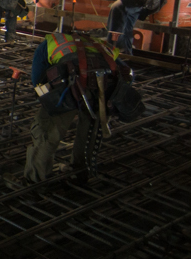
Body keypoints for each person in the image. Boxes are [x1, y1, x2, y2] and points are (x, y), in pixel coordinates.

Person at [12, 33, 144, 186]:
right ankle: (80, 174)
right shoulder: (99, 44)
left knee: (47, 130)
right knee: (90, 133)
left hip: (70, 85)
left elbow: (38, 79)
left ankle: (35, 179)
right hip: (105, 87)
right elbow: (127, 73)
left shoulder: (48, 44)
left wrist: (47, 100)